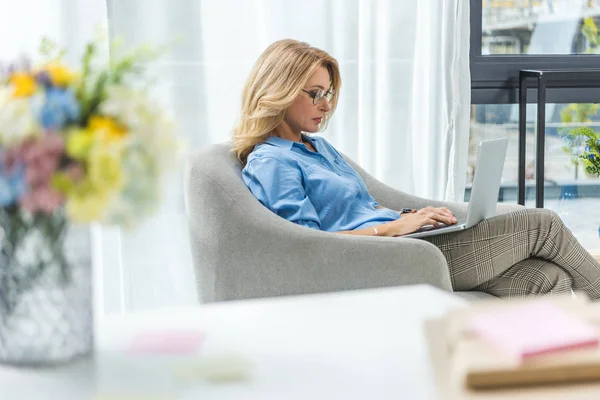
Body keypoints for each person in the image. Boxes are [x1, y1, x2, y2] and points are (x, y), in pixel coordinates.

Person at [232, 39, 600, 299]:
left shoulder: (316, 147)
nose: (325, 105)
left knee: (545, 278)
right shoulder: (272, 161)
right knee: (542, 223)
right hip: (385, 262)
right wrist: (392, 229)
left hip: (406, 244)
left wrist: (413, 216)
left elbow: (358, 210)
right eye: (314, 93)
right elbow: (306, 247)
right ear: (278, 90)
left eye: (327, 93)